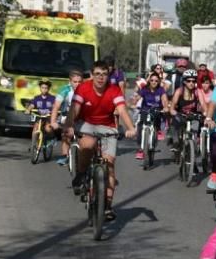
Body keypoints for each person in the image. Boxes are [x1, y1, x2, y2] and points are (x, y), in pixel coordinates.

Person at [64, 60, 137, 220]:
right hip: (86, 123)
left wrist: (131, 128)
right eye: (97, 74)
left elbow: (122, 110)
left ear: (108, 76)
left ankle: (108, 206)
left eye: (104, 74)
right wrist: (69, 126)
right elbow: (74, 109)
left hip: (107, 125)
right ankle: (81, 173)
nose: (100, 77)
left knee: (109, 164)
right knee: (88, 144)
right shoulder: (83, 88)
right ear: (91, 75)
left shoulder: (114, 89)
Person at [51, 69, 83, 165]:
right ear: (70, 82)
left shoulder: (86, 89)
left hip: (81, 117)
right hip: (66, 117)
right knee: (66, 134)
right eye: (75, 82)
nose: (78, 84)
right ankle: (65, 156)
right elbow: (56, 106)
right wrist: (53, 122)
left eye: (80, 82)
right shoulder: (64, 90)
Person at [135, 73, 169, 160]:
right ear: (149, 81)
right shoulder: (144, 89)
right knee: (140, 126)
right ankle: (140, 149)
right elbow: (137, 97)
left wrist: (165, 107)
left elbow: (164, 99)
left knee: (158, 116)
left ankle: (158, 130)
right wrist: (132, 103)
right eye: (152, 80)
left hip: (157, 110)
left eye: (156, 81)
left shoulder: (161, 90)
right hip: (145, 110)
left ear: (159, 82)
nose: (154, 82)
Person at [169, 69, 203, 154]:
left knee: (196, 130)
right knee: (174, 122)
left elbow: (204, 106)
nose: (191, 83)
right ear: (184, 81)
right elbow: (172, 109)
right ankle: (176, 142)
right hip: (181, 115)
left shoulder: (197, 92)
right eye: (188, 81)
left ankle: (194, 151)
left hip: (193, 116)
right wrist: (176, 114)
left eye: (193, 81)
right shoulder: (179, 91)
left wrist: (206, 114)